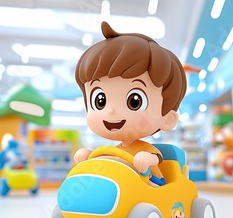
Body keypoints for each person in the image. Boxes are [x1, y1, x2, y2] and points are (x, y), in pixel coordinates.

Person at [73, 22, 187, 186]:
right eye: (100, 101)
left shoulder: (146, 149)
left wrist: (147, 159)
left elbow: (154, 158)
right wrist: (87, 156)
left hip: (151, 184)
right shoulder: (112, 151)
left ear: (167, 118)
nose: (111, 110)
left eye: (134, 101)